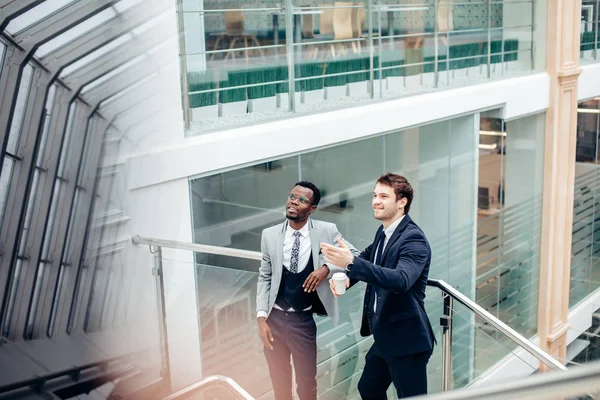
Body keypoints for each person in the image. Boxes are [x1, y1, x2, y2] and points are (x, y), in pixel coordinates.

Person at [321, 173, 436, 399]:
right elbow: (369, 255)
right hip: (386, 335)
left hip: (406, 341)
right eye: (374, 195)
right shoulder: (386, 231)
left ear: (402, 203)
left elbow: (401, 280)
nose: (376, 201)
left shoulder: (414, 239)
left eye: (384, 196)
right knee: (369, 388)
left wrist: (352, 262)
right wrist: (347, 277)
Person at [256, 181, 358, 400]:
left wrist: (325, 268)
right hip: (273, 318)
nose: (293, 202)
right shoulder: (269, 235)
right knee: (279, 385)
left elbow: (353, 254)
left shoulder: (326, 231)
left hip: (302, 320)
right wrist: (261, 318)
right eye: (292, 196)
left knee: (306, 385)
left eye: (302, 200)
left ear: (312, 209)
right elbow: (264, 276)